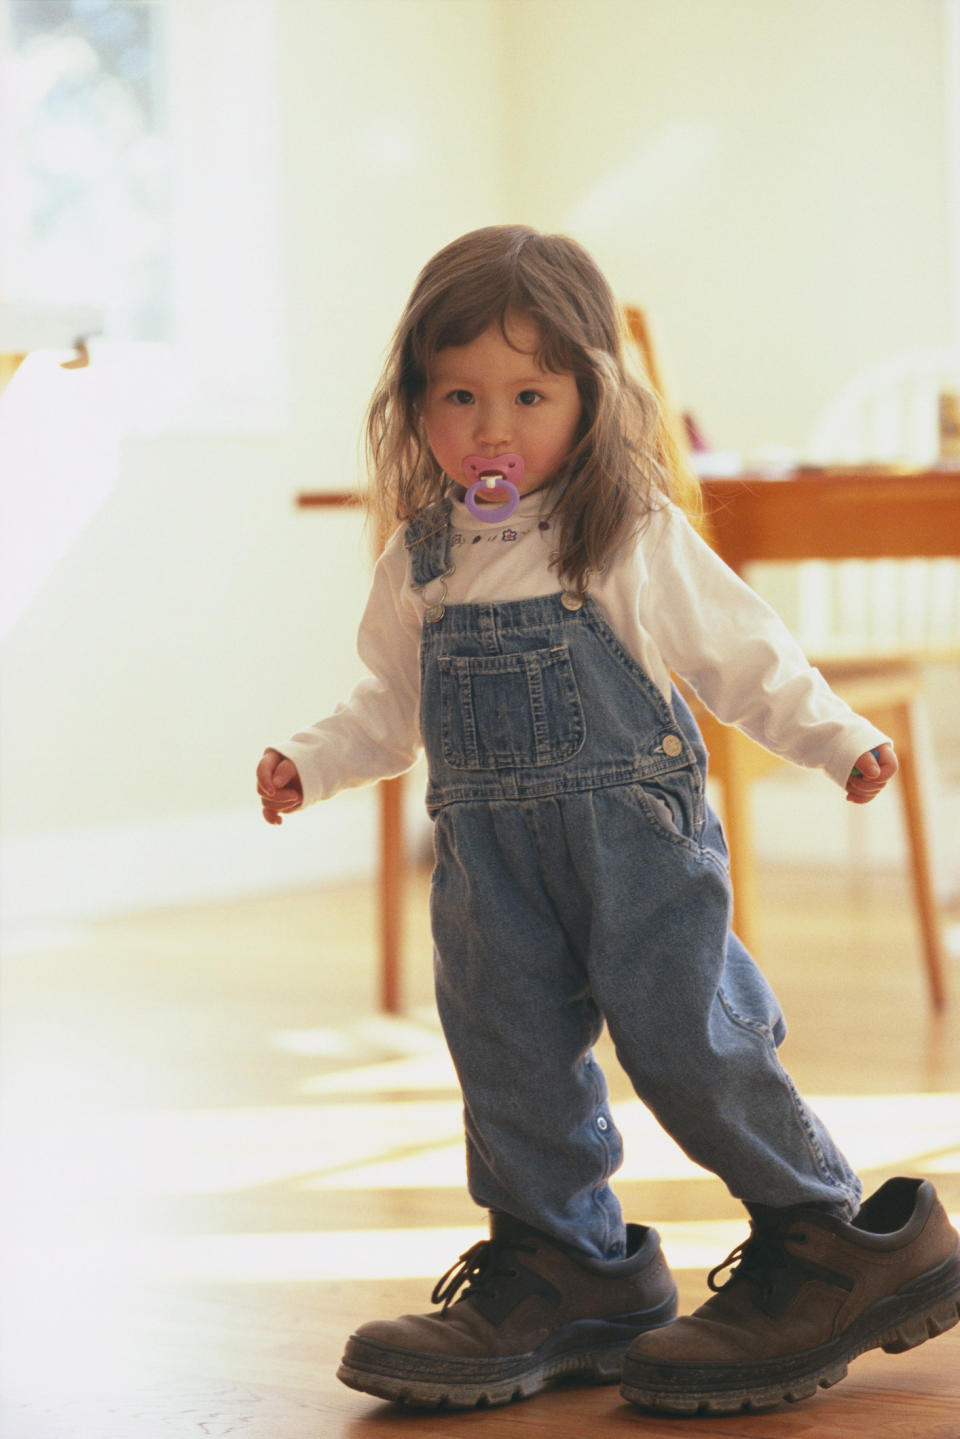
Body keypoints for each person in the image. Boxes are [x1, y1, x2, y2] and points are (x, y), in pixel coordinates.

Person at [256, 226, 960, 1415]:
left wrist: (835, 734)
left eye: (530, 394)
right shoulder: (423, 558)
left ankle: (830, 1235)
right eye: (459, 396)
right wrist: (314, 761)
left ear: (589, 397)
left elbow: (743, 653)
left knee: (691, 1037)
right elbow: (389, 701)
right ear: (415, 407)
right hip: (491, 870)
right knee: (509, 1054)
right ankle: (565, 1264)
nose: (493, 427)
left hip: (633, 850)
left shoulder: (623, 533)